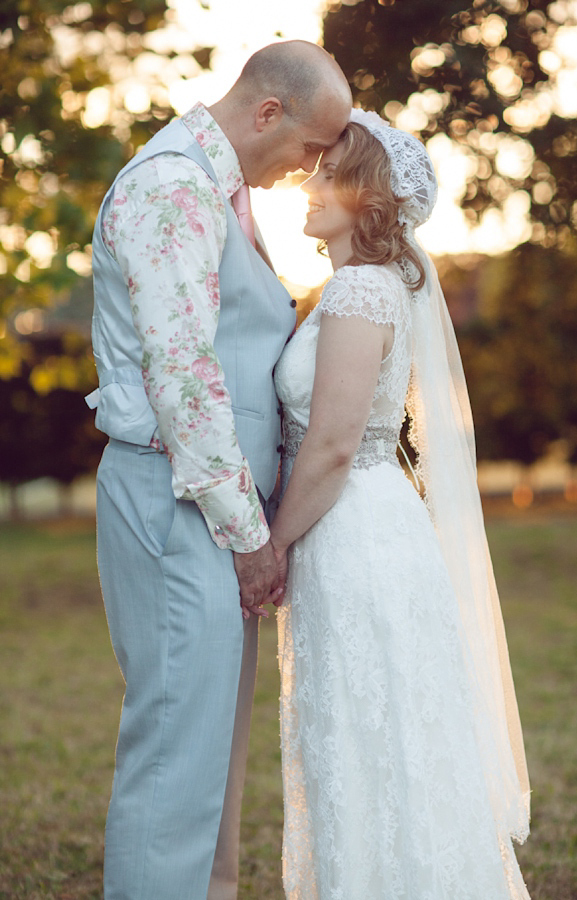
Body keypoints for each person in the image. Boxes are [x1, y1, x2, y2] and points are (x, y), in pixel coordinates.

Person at [85, 41, 352, 900]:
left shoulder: (218, 189)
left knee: (207, 754)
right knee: (175, 758)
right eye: (312, 146)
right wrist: (250, 537)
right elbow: (184, 379)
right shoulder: (171, 188)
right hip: (180, 505)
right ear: (267, 113)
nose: (313, 168)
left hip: (203, 499)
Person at [270, 109, 532, 899]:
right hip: (368, 525)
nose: (305, 186)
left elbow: (333, 445)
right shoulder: (364, 285)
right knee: (381, 742)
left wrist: (271, 548)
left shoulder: (358, 288)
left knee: (370, 740)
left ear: (366, 194)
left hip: (353, 533)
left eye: (324, 173)